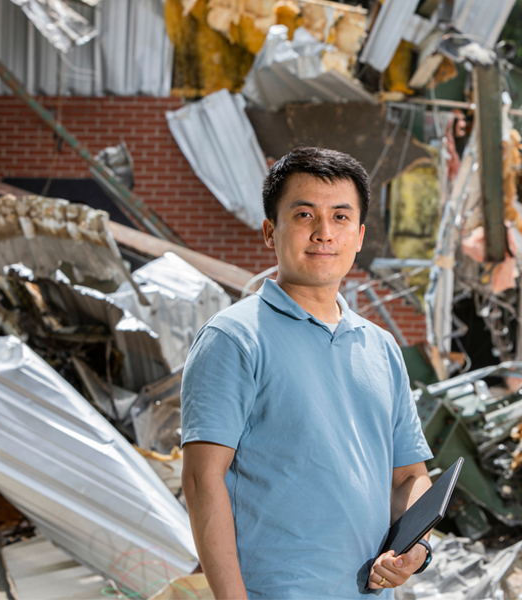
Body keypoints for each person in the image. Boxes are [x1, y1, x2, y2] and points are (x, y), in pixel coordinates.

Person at [180, 147, 434, 599]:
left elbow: (408, 477)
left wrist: (416, 548)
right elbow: (203, 481)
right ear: (269, 231)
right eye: (303, 215)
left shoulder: (380, 347)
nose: (323, 233)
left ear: (358, 236)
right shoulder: (234, 338)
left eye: (340, 218)